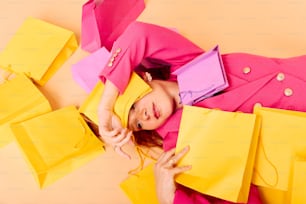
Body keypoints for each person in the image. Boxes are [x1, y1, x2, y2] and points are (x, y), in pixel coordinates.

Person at [97, 21, 306, 204]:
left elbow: (138, 33)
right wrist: (168, 200)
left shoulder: (189, 64)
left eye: (133, 105)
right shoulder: (182, 145)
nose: (143, 116)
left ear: (143, 77)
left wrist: (106, 107)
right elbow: (238, 196)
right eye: (137, 125)